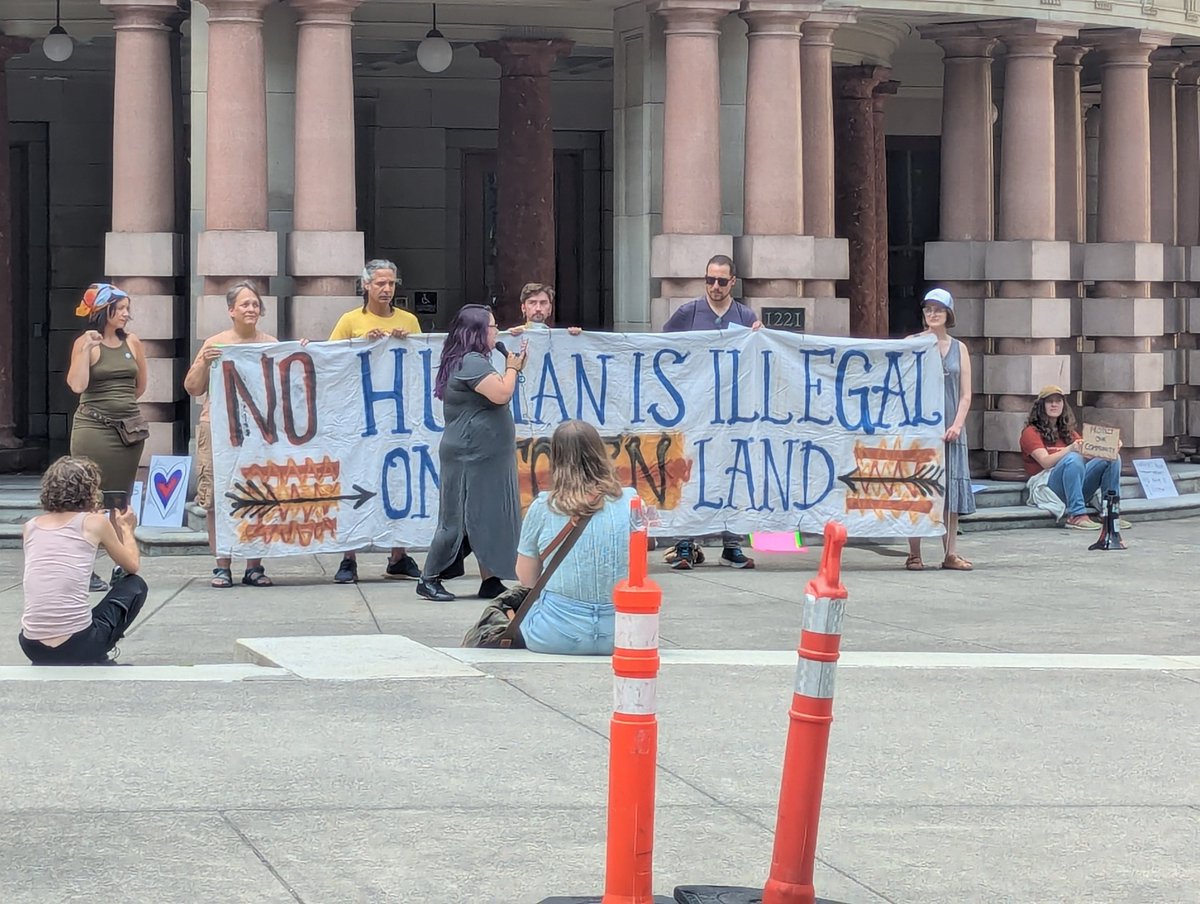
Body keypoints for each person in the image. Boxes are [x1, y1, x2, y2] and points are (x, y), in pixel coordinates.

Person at [417, 304, 526, 602]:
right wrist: (513, 367)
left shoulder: (470, 361)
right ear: (478, 331)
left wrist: (512, 370)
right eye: (492, 327)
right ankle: (428, 578)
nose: (497, 331)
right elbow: (502, 393)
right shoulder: (472, 362)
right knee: (458, 518)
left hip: (485, 455)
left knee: (486, 516)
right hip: (470, 455)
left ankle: (489, 580)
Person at [326, 259, 423, 584]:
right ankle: (349, 557)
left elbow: (419, 364)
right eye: (380, 283)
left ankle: (399, 554)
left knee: (399, 481)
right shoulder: (350, 320)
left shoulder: (408, 320)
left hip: (396, 419)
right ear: (365, 285)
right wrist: (363, 345)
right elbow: (332, 362)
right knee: (356, 480)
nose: (386, 289)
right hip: (359, 417)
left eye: (391, 283)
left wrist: (403, 342)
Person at [661, 254, 760, 571]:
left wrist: (761, 336)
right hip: (694, 412)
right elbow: (659, 352)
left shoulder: (745, 316)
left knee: (735, 477)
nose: (714, 286)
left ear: (733, 282)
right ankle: (686, 544)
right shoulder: (687, 313)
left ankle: (733, 545)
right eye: (709, 280)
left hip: (734, 414)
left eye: (721, 280)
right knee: (689, 474)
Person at [183, 281, 277, 588]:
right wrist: (205, 362)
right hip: (218, 427)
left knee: (257, 493)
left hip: (257, 430)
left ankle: (254, 565)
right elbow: (192, 387)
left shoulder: (270, 343)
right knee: (215, 498)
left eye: (255, 304)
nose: (251, 309)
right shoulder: (216, 343)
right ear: (231, 310)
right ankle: (222, 563)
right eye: (245, 304)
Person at [515, 421, 637, 655]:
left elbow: (526, 578)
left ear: (556, 457)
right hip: (622, 634)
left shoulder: (543, 506)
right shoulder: (632, 501)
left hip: (555, 635)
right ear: (600, 452)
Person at [18, 456, 148, 666]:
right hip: (79, 644)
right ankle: (98, 653)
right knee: (135, 585)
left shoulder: (30, 526)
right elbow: (132, 565)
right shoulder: (95, 523)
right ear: (90, 490)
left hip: (31, 645)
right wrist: (126, 529)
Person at [66, 283, 148, 593]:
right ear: (104, 311)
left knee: (119, 501)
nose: (127, 313)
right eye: (121, 308)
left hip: (126, 433)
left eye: (128, 308)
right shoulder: (84, 344)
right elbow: (77, 385)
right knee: (88, 501)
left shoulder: (134, 343)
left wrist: (121, 407)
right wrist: (86, 348)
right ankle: (83, 568)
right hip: (92, 430)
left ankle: (121, 566)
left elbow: (140, 386)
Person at [905, 288, 975, 571]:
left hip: (950, 426)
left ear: (948, 314)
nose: (933, 314)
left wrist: (957, 424)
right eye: (928, 309)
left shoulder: (959, 348)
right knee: (917, 489)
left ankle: (949, 553)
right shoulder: (912, 343)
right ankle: (914, 553)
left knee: (951, 492)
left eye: (938, 310)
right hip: (920, 426)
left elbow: (965, 394)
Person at [1019, 385, 1128, 532]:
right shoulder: (1030, 432)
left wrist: (1111, 447)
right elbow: (1045, 462)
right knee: (1073, 458)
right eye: (1049, 401)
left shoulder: (1068, 432)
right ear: (1041, 406)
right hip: (1048, 486)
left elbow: (1089, 451)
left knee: (1112, 459)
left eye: (1058, 401)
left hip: (1075, 483)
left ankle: (1110, 512)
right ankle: (1076, 515)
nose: (1054, 405)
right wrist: (1070, 449)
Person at [507, 282, 582, 335]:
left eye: (543, 303)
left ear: (550, 309)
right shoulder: (513, 334)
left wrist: (576, 339)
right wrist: (508, 337)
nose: (538, 308)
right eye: (532, 303)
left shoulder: (558, 337)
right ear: (523, 308)